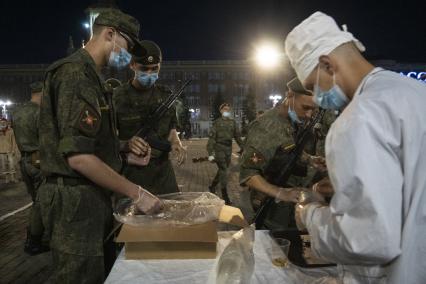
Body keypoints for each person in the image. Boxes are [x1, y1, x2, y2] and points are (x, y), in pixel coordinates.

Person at [285, 11, 426, 283]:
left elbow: (367, 240)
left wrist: (310, 215)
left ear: (328, 64)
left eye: (313, 86)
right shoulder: (414, 93)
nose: (316, 98)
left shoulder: (357, 119)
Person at [37, 9, 163, 283]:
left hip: (91, 200)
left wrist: (123, 151)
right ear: (110, 34)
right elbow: (79, 158)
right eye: (128, 47)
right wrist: (137, 192)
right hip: (76, 206)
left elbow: (89, 142)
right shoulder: (75, 75)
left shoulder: (92, 77)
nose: (128, 56)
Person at [239, 78, 330, 230]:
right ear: (289, 96)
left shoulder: (291, 122)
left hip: (289, 205)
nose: (308, 115)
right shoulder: (266, 127)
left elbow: (287, 150)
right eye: (305, 107)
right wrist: (280, 193)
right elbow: (248, 174)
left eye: (313, 110)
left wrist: (310, 160)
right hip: (271, 208)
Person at [113, 40, 186, 195]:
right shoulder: (117, 98)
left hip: (163, 176)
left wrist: (176, 143)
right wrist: (126, 144)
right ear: (132, 65)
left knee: (172, 216)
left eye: (155, 69)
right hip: (131, 177)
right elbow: (104, 140)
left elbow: (171, 128)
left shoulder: (165, 96)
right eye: (144, 69)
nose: (150, 73)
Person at [12, 81, 48, 255]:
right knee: (41, 203)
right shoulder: (41, 112)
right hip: (39, 161)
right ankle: (34, 241)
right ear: (42, 93)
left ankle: (37, 237)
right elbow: (47, 139)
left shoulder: (17, 111)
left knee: (36, 201)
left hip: (24, 160)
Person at [207, 103, 243, 204]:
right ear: (221, 111)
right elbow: (211, 139)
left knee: (222, 170)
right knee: (224, 170)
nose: (227, 111)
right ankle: (225, 195)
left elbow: (237, 137)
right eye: (225, 109)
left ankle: (213, 186)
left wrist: (244, 148)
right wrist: (210, 153)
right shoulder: (217, 123)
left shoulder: (233, 123)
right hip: (219, 148)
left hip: (228, 149)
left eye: (228, 109)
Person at [0, 117, 18, 183]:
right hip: (1, 151)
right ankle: (7, 178)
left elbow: (13, 140)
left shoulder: (10, 130)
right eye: (1, 122)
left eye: (4, 122)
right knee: (4, 165)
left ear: (6, 122)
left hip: (9, 150)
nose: (3, 123)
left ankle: (13, 178)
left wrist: (13, 149)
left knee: (12, 164)